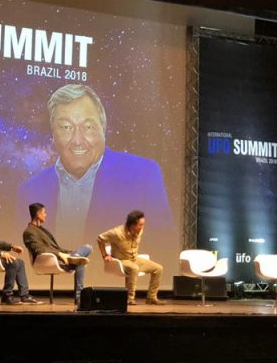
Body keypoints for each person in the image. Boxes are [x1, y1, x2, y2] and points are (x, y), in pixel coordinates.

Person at [17, 84, 172, 247]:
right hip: (49, 273)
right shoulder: (29, 191)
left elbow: (163, 246)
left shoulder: (142, 175)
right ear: (53, 134)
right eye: (66, 127)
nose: (77, 140)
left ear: (103, 128)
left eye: (88, 127)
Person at [22, 202, 92, 303]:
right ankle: (79, 295)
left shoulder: (42, 230)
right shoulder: (29, 232)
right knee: (80, 261)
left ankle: (75, 256)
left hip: (59, 258)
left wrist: (67, 252)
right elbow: (38, 249)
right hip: (48, 261)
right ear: (38, 214)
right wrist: (59, 254)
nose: (46, 215)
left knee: (87, 248)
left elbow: (56, 248)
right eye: (44, 212)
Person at [98, 209, 163, 305]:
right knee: (134, 268)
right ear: (132, 224)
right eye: (140, 225)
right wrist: (105, 255)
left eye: (143, 224)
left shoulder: (139, 230)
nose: (142, 227)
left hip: (134, 258)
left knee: (158, 269)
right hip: (121, 260)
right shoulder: (117, 232)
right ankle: (129, 298)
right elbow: (100, 239)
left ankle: (151, 297)